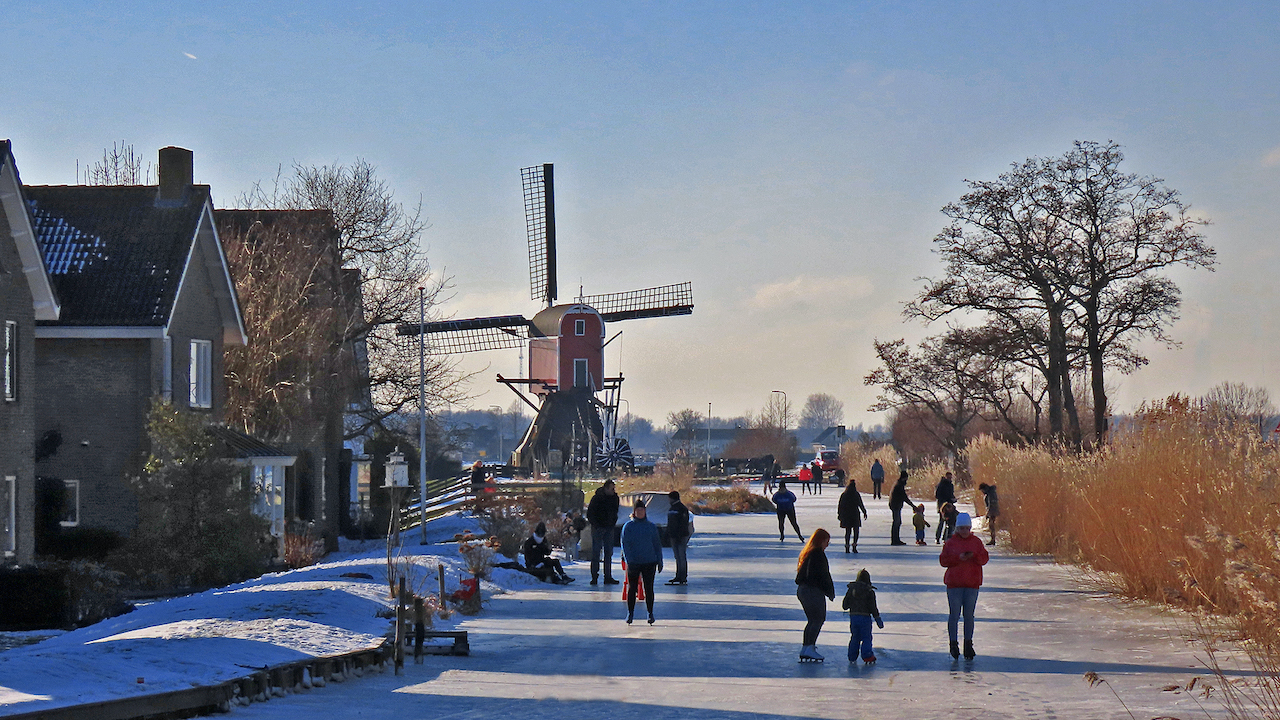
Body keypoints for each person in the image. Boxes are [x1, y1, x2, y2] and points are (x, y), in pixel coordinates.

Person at [939, 513, 989, 659]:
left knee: (969, 616)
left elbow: (984, 558)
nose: (964, 531)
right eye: (961, 528)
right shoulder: (951, 543)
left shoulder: (976, 542)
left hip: (972, 584)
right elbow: (943, 561)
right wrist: (957, 558)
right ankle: (953, 644)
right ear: (957, 529)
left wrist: (974, 556)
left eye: (967, 528)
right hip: (954, 584)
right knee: (954, 615)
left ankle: (968, 644)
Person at [620, 499, 663, 625]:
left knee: (649, 589)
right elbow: (625, 545)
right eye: (638, 510)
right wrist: (629, 560)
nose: (640, 512)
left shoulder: (651, 527)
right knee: (632, 588)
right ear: (634, 512)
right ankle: (630, 613)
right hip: (634, 562)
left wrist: (659, 560)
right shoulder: (628, 527)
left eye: (642, 510)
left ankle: (650, 613)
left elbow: (657, 544)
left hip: (649, 561)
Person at [795, 528, 835, 662]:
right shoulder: (817, 554)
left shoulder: (808, 553)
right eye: (826, 541)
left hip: (804, 590)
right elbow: (822, 575)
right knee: (818, 619)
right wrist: (829, 591)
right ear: (820, 540)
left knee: (813, 620)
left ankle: (807, 647)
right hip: (812, 591)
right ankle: (809, 647)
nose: (827, 544)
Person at [842, 568, 884, 665]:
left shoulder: (851, 590)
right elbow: (873, 607)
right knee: (866, 638)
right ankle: (867, 655)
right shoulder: (869, 591)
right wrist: (878, 619)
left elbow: (845, 605)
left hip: (854, 617)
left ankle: (852, 656)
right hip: (865, 618)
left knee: (855, 637)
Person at [587, 479, 621, 585]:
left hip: (609, 528)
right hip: (598, 528)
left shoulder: (615, 498)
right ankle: (594, 576)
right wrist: (597, 525)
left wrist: (612, 524)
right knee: (596, 553)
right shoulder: (597, 498)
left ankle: (608, 576)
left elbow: (615, 512)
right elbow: (590, 514)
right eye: (611, 489)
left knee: (608, 553)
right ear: (606, 488)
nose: (613, 491)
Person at [665, 490, 692, 585]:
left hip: (680, 536)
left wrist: (679, 536)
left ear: (672, 498)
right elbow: (670, 523)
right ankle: (678, 575)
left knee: (681, 556)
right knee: (677, 557)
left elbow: (683, 523)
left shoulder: (681, 508)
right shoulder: (672, 508)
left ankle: (683, 576)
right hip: (673, 536)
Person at [836, 478, 868, 553]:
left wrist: (839, 515)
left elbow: (840, 505)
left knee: (848, 531)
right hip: (855, 515)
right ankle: (854, 546)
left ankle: (847, 546)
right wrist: (864, 512)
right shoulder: (856, 494)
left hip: (846, 515)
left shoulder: (844, 494)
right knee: (856, 531)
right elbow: (860, 504)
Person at [888, 470, 918, 546]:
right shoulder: (899, 485)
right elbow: (904, 497)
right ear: (904, 478)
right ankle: (895, 540)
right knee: (896, 522)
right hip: (895, 505)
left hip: (895, 505)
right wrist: (913, 506)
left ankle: (896, 539)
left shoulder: (898, 484)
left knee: (897, 522)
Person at [934, 472, 957, 544]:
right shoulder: (941, 485)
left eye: (951, 477)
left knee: (949, 522)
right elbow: (937, 495)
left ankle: (946, 537)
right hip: (942, 506)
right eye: (949, 477)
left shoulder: (951, 485)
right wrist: (946, 501)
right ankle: (937, 538)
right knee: (941, 521)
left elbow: (951, 494)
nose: (950, 479)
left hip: (950, 506)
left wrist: (953, 499)